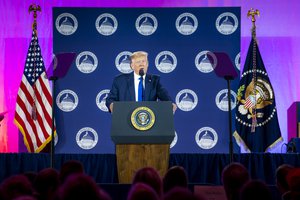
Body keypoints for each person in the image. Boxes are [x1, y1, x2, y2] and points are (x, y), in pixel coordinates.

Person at [106, 51, 177, 113]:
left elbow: (165, 96)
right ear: (132, 66)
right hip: (126, 120)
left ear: (147, 64)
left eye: (143, 61)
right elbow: (110, 99)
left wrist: (171, 104)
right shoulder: (120, 80)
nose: (141, 64)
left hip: (148, 120)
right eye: (138, 62)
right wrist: (112, 106)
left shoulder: (155, 80)